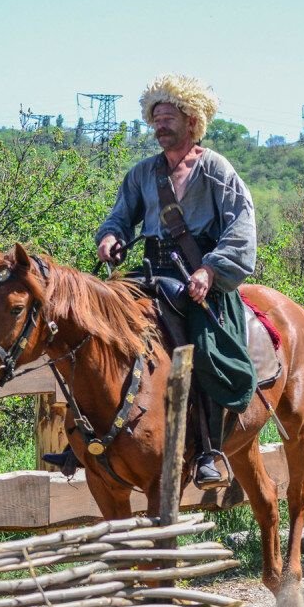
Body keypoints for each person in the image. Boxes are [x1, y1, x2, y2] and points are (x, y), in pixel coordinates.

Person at [94, 74, 258, 488]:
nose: (160, 127)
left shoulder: (216, 168)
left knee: (203, 351)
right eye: (156, 120)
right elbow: (119, 215)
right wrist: (111, 237)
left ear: (191, 121)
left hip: (197, 281)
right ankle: (91, 438)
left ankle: (208, 450)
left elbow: (241, 225)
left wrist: (211, 270)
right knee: (96, 332)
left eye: (168, 119)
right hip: (147, 276)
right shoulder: (142, 173)